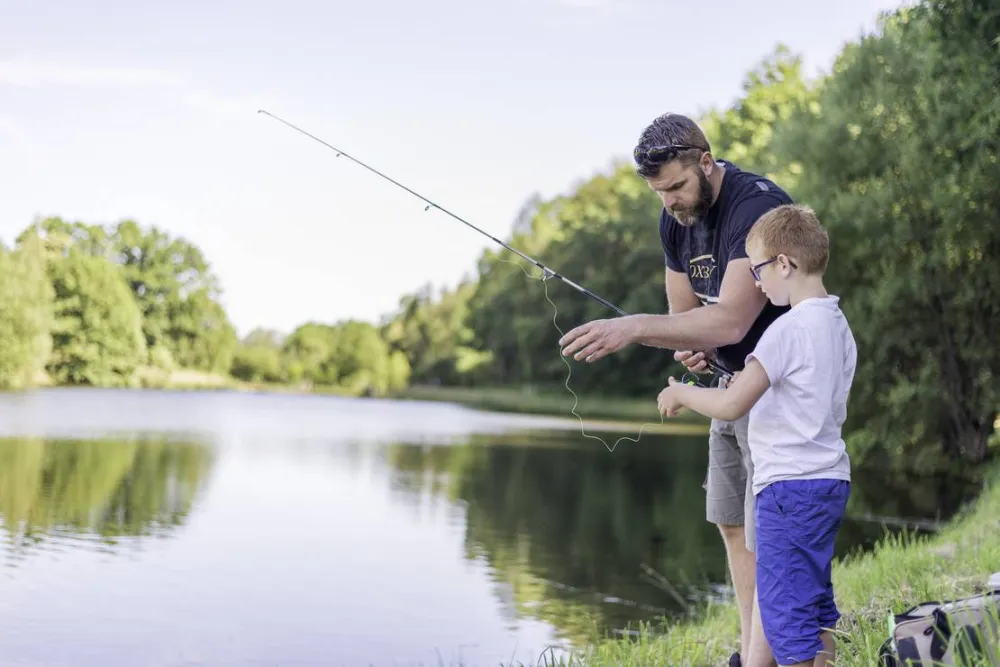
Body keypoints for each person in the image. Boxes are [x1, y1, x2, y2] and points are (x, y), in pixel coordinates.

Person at [557, 112, 792, 665]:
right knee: (732, 524)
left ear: (706, 163)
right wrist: (692, 350)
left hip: (776, 390)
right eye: (659, 192)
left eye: (678, 187)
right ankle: (749, 650)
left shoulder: (755, 207)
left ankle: (774, 654)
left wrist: (633, 328)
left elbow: (731, 320)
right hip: (730, 386)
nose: (670, 203)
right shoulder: (675, 222)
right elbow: (685, 316)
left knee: (770, 536)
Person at [656, 203, 856, 667]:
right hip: (829, 482)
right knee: (813, 606)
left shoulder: (784, 331)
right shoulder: (838, 325)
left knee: (785, 621)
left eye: (759, 270)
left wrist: (682, 393)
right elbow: (803, 397)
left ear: (785, 264)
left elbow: (730, 405)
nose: (757, 283)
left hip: (786, 491)